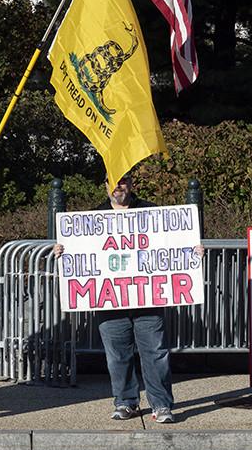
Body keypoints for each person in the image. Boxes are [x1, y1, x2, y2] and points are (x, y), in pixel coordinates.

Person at [53, 173, 202, 424]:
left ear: (131, 185)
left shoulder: (152, 213)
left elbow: (175, 243)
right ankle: (125, 402)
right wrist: (61, 250)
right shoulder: (91, 219)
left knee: (155, 353)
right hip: (110, 299)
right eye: (112, 182)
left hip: (148, 299)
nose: (117, 187)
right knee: (117, 355)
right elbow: (79, 251)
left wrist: (193, 250)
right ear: (105, 186)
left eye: (122, 182)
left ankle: (162, 404)